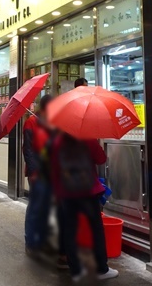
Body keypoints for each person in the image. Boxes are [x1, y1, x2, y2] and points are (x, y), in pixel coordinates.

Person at [51, 132, 118, 282]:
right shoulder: (88, 138)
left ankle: (75, 271)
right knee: (96, 229)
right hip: (87, 191)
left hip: (67, 191)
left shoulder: (57, 141)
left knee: (70, 230)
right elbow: (101, 159)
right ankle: (102, 269)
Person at [22, 94, 53, 257]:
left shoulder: (50, 123)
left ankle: (42, 240)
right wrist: (33, 171)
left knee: (46, 208)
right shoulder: (31, 122)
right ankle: (31, 242)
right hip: (37, 173)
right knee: (35, 207)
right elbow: (27, 149)